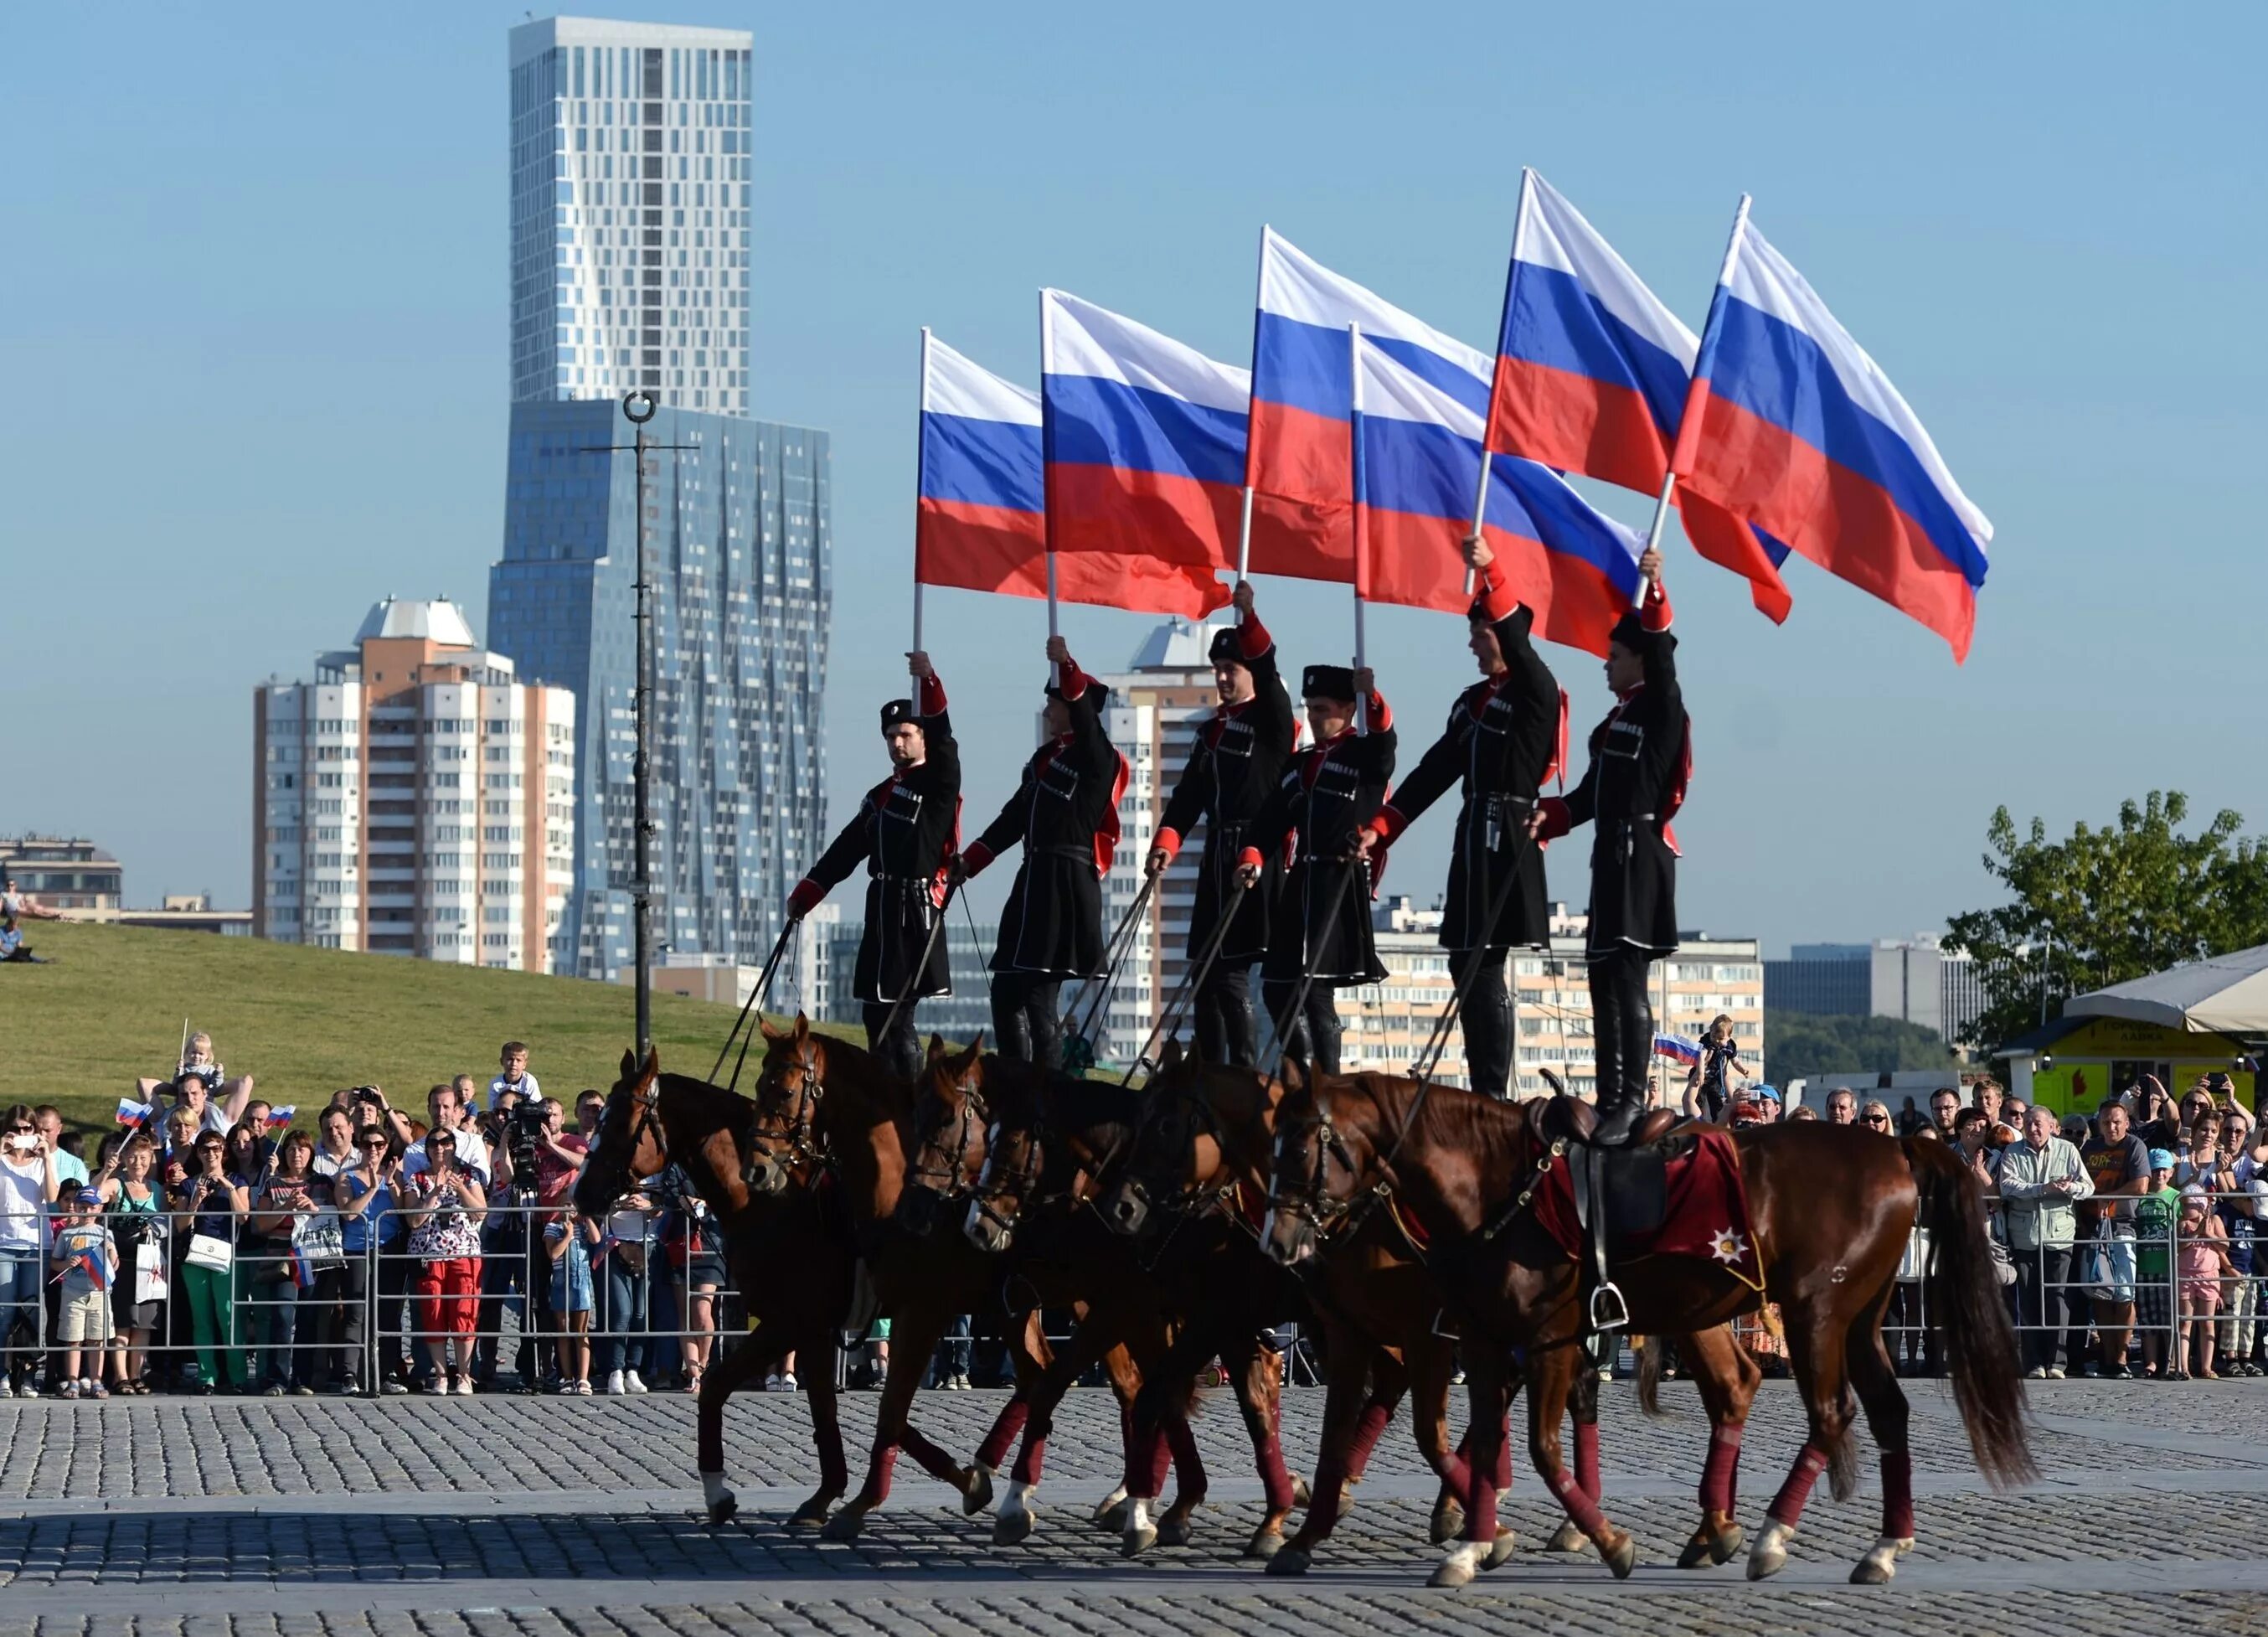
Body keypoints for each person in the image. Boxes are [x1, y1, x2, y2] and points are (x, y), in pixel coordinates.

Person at [1353, 553, 1558, 1100]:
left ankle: (1493, 1089)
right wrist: (1383, 826)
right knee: (1464, 956)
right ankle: (1480, 1078)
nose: (1472, 644)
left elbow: (1522, 649)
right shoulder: (1471, 703)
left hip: (1509, 832)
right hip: (1472, 834)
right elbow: (1433, 773)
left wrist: (1493, 572)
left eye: (1479, 632)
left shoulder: (1533, 690)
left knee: (1484, 957)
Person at [1528, 549, 1683, 1144]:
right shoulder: (1616, 719)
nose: (1604, 665)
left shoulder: (1661, 707)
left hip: (1641, 853)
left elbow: (1664, 663)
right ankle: (1609, 1090)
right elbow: (1591, 794)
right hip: (1608, 856)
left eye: (1614, 656)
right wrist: (1551, 817)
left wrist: (1655, 595)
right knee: (1600, 974)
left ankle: (1632, 1098)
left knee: (1626, 976)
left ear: (1640, 660)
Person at [957, 636, 1128, 1069]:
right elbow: (1013, 817)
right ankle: (1017, 1078)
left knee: (1038, 994)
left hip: (1064, 882)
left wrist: (1067, 664)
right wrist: (971, 861)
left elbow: (1090, 728)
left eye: (1055, 702)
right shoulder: (1043, 759)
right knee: (1007, 989)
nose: (1048, 710)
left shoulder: (1097, 757)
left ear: (1074, 707)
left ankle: (1048, 1092)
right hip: (1031, 879)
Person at [788, 651, 959, 1080]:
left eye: (906, 733)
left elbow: (946, 742)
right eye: (890, 736)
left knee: (897, 1017)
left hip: (912, 910)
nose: (897, 742)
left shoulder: (938, 781)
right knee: (875, 1014)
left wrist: (929, 684)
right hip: (880, 908)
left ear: (922, 737)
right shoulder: (880, 793)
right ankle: (885, 1092)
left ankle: (908, 1097)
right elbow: (847, 849)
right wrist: (809, 892)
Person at [1147, 581, 1295, 1068]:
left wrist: (1249, 617)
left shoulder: (1271, 718)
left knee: (1233, 971)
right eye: (1218, 670)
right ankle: (1210, 1066)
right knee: (1204, 971)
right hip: (1216, 855)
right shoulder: (1210, 730)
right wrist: (1166, 842)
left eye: (1231, 669)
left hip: (1257, 852)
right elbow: (1189, 795)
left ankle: (1244, 1069)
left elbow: (1270, 671)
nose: (1223, 678)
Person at [1237, 661, 1398, 1073]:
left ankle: (1328, 1080)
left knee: (1316, 991)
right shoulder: (1301, 763)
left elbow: (1385, 748)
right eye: (1309, 708)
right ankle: (1297, 1069)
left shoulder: (1362, 755)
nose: (1313, 716)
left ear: (1348, 710)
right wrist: (1252, 855)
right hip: (1302, 880)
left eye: (1323, 708)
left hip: (1339, 880)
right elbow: (1272, 819)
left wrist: (1374, 699)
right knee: (1276, 986)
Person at [1992, 1103, 2094, 1378]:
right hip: (2025, 1235)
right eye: (2029, 1123)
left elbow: (2088, 1187)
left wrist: (2068, 1188)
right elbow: (2008, 1186)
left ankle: (2057, 1362)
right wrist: (2042, 1189)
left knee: (2057, 1299)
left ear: (2052, 1126)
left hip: (2059, 1235)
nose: (2033, 1128)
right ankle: (2034, 1361)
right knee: (2028, 1300)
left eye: (2039, 1123)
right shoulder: (2013, 1151)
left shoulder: (2068, 1150)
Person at [399, 1128, 486, 1394]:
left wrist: (461, 1189)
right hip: (429, 1254)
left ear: (454, 1147)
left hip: (464, 1253)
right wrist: (434, 1193)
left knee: (464, 1313)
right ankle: (440, 1375)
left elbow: (480, 1212)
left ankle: (463, 1374)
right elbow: (413, 1220)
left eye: (446, 1142)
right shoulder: (416, 1179)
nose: (440, 1147)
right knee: (433, 1314)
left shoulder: (468, 1176)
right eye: (434, 1143)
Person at [2078, 1099, 2153, 1378]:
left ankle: (2121, 1357)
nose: (2111, 1126)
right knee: (2100, 1294)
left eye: (2117, 1121)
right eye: (2106, 1122)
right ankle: (2107, 1357)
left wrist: (2107, 1197)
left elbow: (2141, 1186)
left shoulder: (2134, 1146)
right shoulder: (2090, 1148)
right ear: (2099, 1124)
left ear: (2126, 1123)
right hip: (2093, 1229)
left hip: (2122, 1227)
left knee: (2124, 1294)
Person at [172, 1129, 250, 1393]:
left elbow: (243, 1217)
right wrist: (197, 1200)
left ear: (223, 1151)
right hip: (195, 1255)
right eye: (206, 1149)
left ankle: (237, 1376)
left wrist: (228, 1188)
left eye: (216, 1148)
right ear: (198, 1153)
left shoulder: (237, 1180)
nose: (211, 1154)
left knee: (229, 1316)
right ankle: (207, 1376)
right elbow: (181, 1224)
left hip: (226, 1253)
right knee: (201, 1318)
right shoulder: (189, 1184)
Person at [248, 1130, 324, 1395]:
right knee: (282, 1315)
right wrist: (288, 1208)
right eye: (291, 1149)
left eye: (302, 1149)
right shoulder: (272, 1183)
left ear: (311, 1153)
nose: (296, 1154)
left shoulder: (321, 1182)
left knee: (308, 1316)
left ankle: (302, 1378)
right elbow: (261, 1223)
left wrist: (313, 1209)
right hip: (281, 1257)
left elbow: (333, 1216)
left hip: (312, 1256)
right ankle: (278, 1378)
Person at [335, 1123, 407, 1394]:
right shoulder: (346, 1177)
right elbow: (349, 1214)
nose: (373, 1150)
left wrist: (389, 1184)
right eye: (368, 1145)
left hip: (388, 1249)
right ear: (360, 1147)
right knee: (357, 1312)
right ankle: (350, 1373)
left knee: (389, 1313)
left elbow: (403, 1213)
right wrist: (372, 1189)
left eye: (379, 1145)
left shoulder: (395, 1176)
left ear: (386, 1147)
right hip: (357, 1249)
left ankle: (387, 1370)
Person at [100, 1134, 164, 1393]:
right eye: (133, 1157)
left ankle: (137, 1374)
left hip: (148, 1263)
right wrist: (105, 1172)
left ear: (150, 1160)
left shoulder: (156, 1189)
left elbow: (165, 1220)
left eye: (143, 1158)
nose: (138, 1162)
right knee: (123, 1321)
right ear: (125, 1159)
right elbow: (93, 1196)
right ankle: (121, 1375)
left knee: (144, 1323)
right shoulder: (117, 1182)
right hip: (121, 1261)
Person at [49, 1186, 117, 1397]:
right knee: (73, 1339)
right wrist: (67, 1263)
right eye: (82, 1207)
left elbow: (114, 1267)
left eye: (91, 1207)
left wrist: (111, 1249)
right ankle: (73, 1381)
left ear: (99, 1208)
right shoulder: (67, 1233)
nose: (86, 1211)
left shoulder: (105, 1232)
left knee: (97, 1339)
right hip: (73, 1292)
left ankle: (97, 1380)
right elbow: (54, 1262)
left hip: (98, 1292)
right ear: (75, 1208)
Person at [544, 1182, 598, 1395]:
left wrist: (587, 1217)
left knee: (581, 1331)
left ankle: (583, 1378)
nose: (569, 1209)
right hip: (560, 1281)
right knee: (564, 1330)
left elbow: (596, 1239)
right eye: (565, 1204)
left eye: (573, 1205)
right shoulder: (553, 1227)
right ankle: (566, 1377)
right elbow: (554, 1254)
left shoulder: (583, 1227)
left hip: (582, 1280)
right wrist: (566, 1236)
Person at [2175, 1186, 2232, 1379]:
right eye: (2182, 1204)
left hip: (2209, 1276)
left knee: (2207, 1323)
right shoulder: (2182, 1224)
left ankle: (2206, 1367)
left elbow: (2225, 1245)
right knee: (2186, 1323)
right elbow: (2179, 1245)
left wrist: (2210, 1235)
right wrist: (2195, 1233)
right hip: (2185, 1276)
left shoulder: (2213, 1221)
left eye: (2187, 1204)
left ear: (2200, 1206)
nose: (2183, 1208)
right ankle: (2183, 1366)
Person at [2133, 1150, 2181, 1377]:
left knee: (2167, 1317)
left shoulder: (2176, 1197)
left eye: (2164, 1169)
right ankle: (2150, 1362)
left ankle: (2169, 1361)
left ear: (2171, 1172)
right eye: (2155, 1169)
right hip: (2143, 1265)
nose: (2159, 1174)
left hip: (2167, 1266)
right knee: (2148, 1319)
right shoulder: (2140, 1196)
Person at [1678, 1017, 1755, 1124]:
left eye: (1721, 1038)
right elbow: (1701, 1058)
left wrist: (1743, 1070)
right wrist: (1700, 1073)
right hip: (1702, 1075)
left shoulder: (1730, 1046)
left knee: (1717, 1100)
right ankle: (1699, 1117)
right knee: (1698, 1098)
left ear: (1728, 1038)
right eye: (1714, 1036)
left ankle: (1717, 1119)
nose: (1716, 1041)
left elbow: (1736, 1061)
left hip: (1716, 1078)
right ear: (1710, 1030)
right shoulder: (1707, 1041)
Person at [488, 1041, 539, 1113]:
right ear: (502, 1061)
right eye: (510, 1059)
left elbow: (535, 1107)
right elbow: (492, 1110)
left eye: (518, 1060)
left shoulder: (529, 1082)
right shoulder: (495, 1084)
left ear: (525, 1064)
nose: (514, 1064)